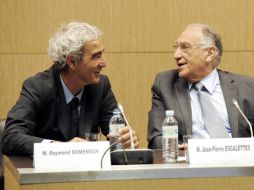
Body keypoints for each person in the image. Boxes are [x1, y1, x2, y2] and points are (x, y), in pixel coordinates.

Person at [1, 21, 139, 155]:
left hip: (88, 176)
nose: (103, 63)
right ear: (72, 61)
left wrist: (126, 139)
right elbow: (10, 137)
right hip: (46, 175)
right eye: (96, 56)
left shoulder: (100, 86)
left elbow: (115, 129)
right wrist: (61, 148)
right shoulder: (38, 87)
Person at [147, 23, 254, 149]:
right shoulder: (165, 84)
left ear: (210, 53)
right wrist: (178, 149)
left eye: (185, 48)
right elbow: (155, 138)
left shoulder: (247, 87)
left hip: (238, 164)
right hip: (190, 165)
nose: (176, 55)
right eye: (176, 47)